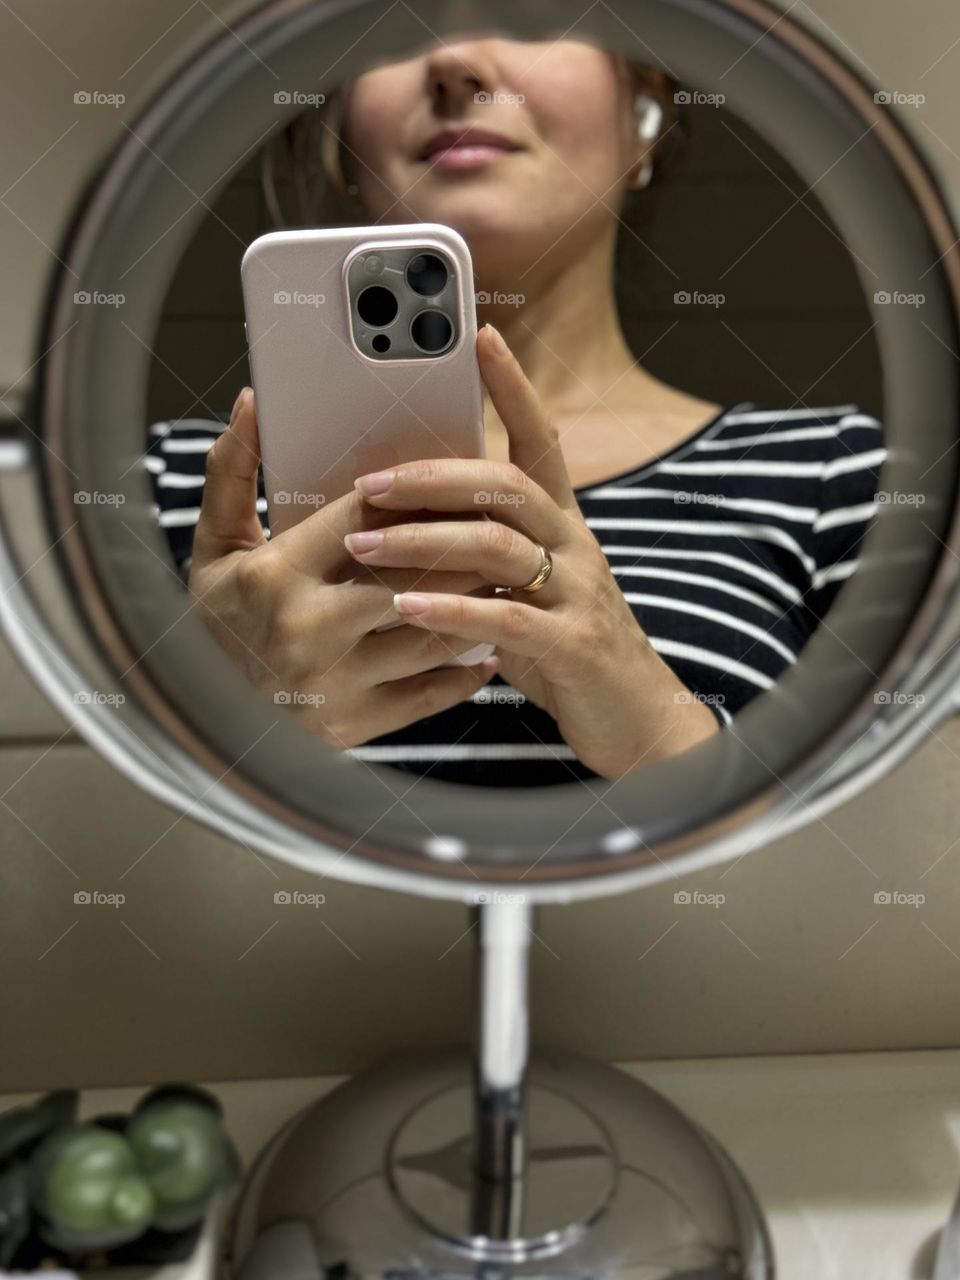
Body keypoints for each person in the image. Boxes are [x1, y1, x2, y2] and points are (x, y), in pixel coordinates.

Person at [149, 37, 886, 787]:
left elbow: (873, 866)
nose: (455, 61)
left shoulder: (835, 473)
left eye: (535, 12)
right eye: (394, 24)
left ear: (647, 117)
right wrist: (214, 724)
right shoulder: (163, 484)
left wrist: (658, 729)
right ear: (341, 144)